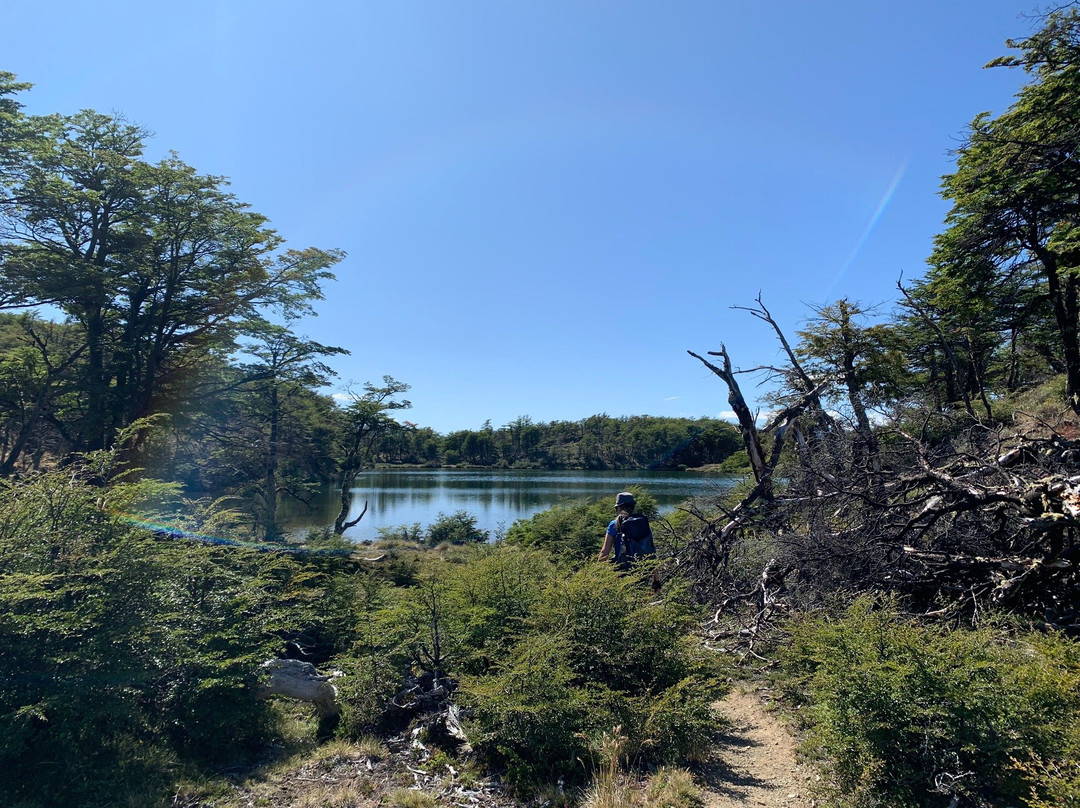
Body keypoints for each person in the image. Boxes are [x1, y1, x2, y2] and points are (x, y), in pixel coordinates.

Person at [598, 492, 659, 590]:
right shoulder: (643, 524)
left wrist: (596, 574)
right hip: (642, 571)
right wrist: (656, 580)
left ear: (618, 508)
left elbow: (604, 552)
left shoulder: (614, 524)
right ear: (633, 507)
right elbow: (651, 551)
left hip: (621, 572)